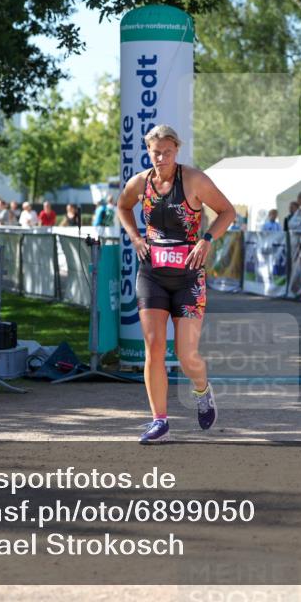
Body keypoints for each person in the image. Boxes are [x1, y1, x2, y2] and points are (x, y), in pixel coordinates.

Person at [116, 124, 236, 444]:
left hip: (188, 277)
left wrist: (207, 240)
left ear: (176, 150)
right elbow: (122, 206)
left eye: (167, 152)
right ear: (148, 151)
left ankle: (202, 391)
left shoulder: (193, 179)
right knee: (154, 348)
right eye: (155, 152)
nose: (161, 158)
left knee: (186, 355)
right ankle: (159, 421)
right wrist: (136, 237)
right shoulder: (141, 182)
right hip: (152, 273)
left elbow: (227, 211)